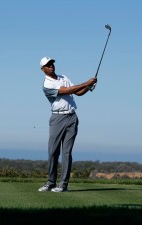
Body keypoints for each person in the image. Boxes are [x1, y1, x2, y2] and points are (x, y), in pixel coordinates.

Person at [38, 56, 97, 192]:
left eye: (52, 63)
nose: (51, 66)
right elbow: (67, 91)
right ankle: (51, 182)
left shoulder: (64, 77)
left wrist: (89, 86)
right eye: (48, 65)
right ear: (43, 69)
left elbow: (78, 92)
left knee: (66, 152)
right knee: (53, 151)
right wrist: (86, 82)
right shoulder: (47, 84)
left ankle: (63, 185)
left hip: (72, 117)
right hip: (57, 118)